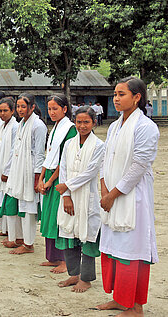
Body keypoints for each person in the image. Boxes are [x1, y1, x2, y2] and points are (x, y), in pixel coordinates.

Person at [95, 77, 159, 316]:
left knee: (132, 250)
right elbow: (105, 159)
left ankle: (136, 306)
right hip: (111, 196)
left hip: (133, 198)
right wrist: (104, 187)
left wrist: (113, 193)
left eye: (122, 94)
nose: (116, 98)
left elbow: (139, 166)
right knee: (114, 248)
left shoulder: (145, 127)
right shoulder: (114, 126)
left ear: (137, 97)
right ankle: (120, 299)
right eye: (115, 94)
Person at [55, 106, 104, 293]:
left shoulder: (99, 145)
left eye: (86, 122)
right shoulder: (69, 144)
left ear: (94, 123)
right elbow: (64, 169)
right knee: (68, 234)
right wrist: (66, 196)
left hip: (87, 196)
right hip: (69, 196)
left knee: (87, 236)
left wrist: (67, 186)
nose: (82, 126)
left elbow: (90, 172)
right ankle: (73, 274)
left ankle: (86, 278)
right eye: (79, 122)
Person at [1, 93, 47, 254]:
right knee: (20, 204)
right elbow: (16, 149)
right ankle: (20, 239)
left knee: (29, 207)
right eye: (18, 106)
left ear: (32, 107)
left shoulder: (38, 126)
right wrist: (8, 170)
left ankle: (29, 244)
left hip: (30, 171)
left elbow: (40, 153)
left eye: (23, 106)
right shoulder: (22, 124)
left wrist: (37, 178)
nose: (20, 110)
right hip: (19, 169)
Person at [38, 95, 76, 273]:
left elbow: (65, 161)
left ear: (65, 109)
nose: (51, 112)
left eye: (55, 109)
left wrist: (50, 180)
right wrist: (41, 178)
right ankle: (53, 257)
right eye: (49, 109)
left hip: (60, 180)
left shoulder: (70, 130)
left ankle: (64, 260)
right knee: (48, 218)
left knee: (59, 218)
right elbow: (49, 155)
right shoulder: (54, 129)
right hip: (50, 178)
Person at [0, 97, 18, 238]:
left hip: (8, 169)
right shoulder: (1, 126)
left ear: (12, 111)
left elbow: (13, 151)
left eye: (5, 110)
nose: (2, 114)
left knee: (6, 198)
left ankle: (10, 233)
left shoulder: (15, 127)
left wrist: (7, 170)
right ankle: (4, 229)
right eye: (0, 111)